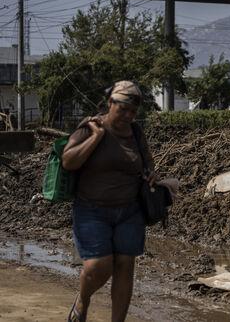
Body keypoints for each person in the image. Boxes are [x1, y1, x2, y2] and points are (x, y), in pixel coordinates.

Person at [62, 80, 156, 322]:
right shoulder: (91, 126)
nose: (127, 115)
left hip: (129, 211)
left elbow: (147, 162)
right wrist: (96, 137)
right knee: (99, 267)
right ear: (110, 103)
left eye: (133, 111)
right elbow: (69, 161)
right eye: (122, 108)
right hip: (92, 210)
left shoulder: (135, 132)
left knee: (125, 265)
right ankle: (83, 300)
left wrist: (150, 175)